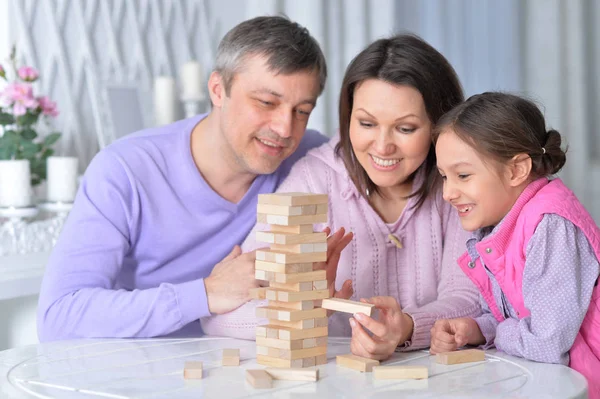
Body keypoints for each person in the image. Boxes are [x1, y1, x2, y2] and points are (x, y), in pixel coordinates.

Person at [36, 15, 344, 340]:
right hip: (141, 377)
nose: (285, 129)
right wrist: (206, 295)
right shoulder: (124, 171)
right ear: (217, 90)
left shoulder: (311, 157)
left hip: (246, 372)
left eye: (302, 111)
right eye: (266, 102)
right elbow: (58, 317)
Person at [201, 34, 481, 360]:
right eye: (366, 123)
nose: (382, 146)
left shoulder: (457, 185)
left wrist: (405, 327)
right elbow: (223, 316)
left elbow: (474, 297)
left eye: (405, 129)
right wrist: (306, 309)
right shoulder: (312, 180)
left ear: (438, 127)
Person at [431, 92, 600, 397]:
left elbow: (546, 341)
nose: (448, 193)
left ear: (517, 170)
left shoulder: (551, 224)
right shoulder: (496, 228)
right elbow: (517, 318)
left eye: (463, 175)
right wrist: (477, 329)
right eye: (444, 176)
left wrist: (498, 331)